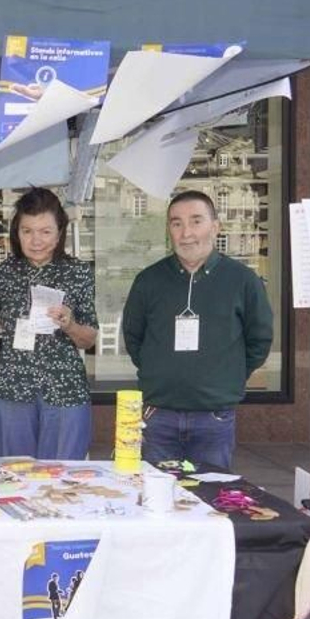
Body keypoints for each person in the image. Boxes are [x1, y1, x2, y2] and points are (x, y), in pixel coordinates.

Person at [121, 190, 272, 469]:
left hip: (214, 416)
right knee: (156, 491)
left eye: (196, 221)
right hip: (158, 414)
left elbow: (259, 339)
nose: (186, 233)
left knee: (211, 491)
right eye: (176, 223)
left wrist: (227, 378)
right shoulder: (149, 280)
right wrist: (159, 371)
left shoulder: (242, 280)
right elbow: (133, 337)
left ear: (215, 227)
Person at [0, 188, 97, 459]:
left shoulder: (78, 272)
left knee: (61, 477)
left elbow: (89, 338)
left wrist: (69, 325)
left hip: (64, 391)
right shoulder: (6, 272)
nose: (36, 240)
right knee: (13, 474)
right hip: (11, 389)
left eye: (45, 231)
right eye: (27, 231)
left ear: (59, 233)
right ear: (17, 233)